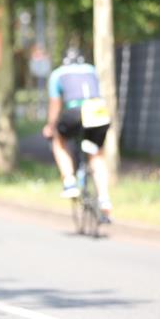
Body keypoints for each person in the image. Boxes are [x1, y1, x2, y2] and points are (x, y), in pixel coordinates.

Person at [41, 48, 113, 222]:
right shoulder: (92, 70)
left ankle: (69, 181)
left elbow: (55, 106)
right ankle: (104, 198)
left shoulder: (58, 74)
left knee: (59, 139)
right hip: (98, 112)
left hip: (76, 111)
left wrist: (51, 126)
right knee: (97, 154)